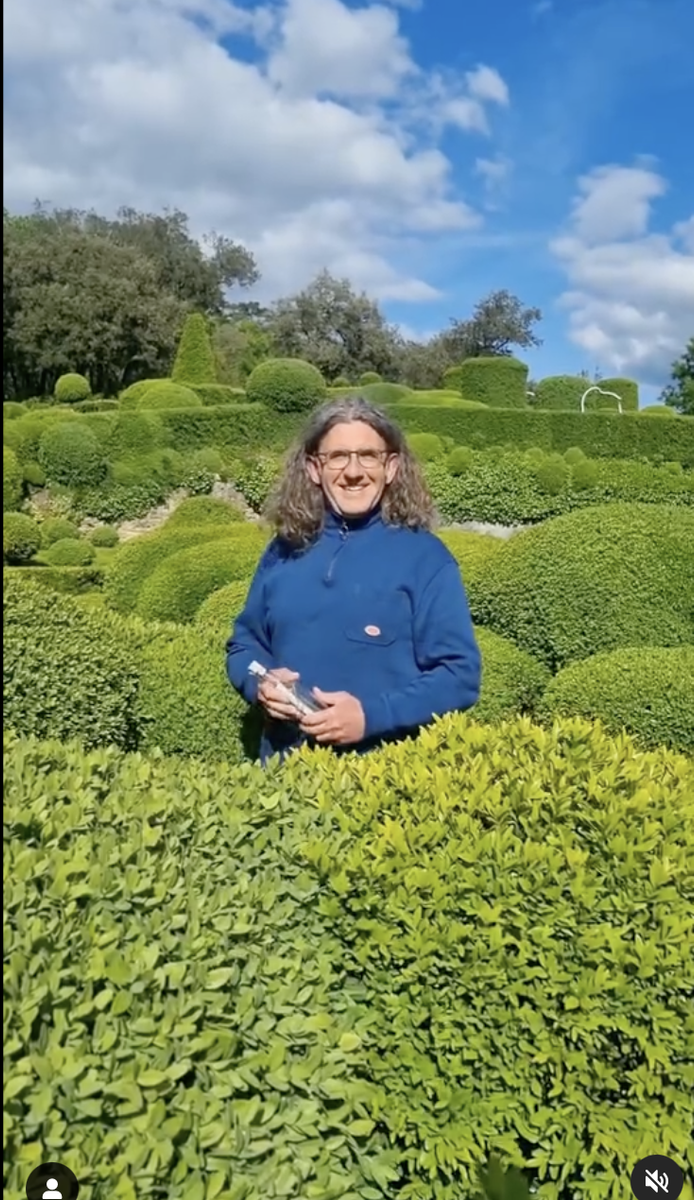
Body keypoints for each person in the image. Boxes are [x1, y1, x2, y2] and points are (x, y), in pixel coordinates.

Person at [226, 396, 481, 764]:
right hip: (283, 777)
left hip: (382, 781)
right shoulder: (283, 550)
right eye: (338, 456)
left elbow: (460, 676)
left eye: (368, 455)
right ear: (314, 468)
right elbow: (243, 649)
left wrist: (371, 717)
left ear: (391, 466)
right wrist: (260, 684)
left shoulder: (426, 559)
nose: (353, 471)